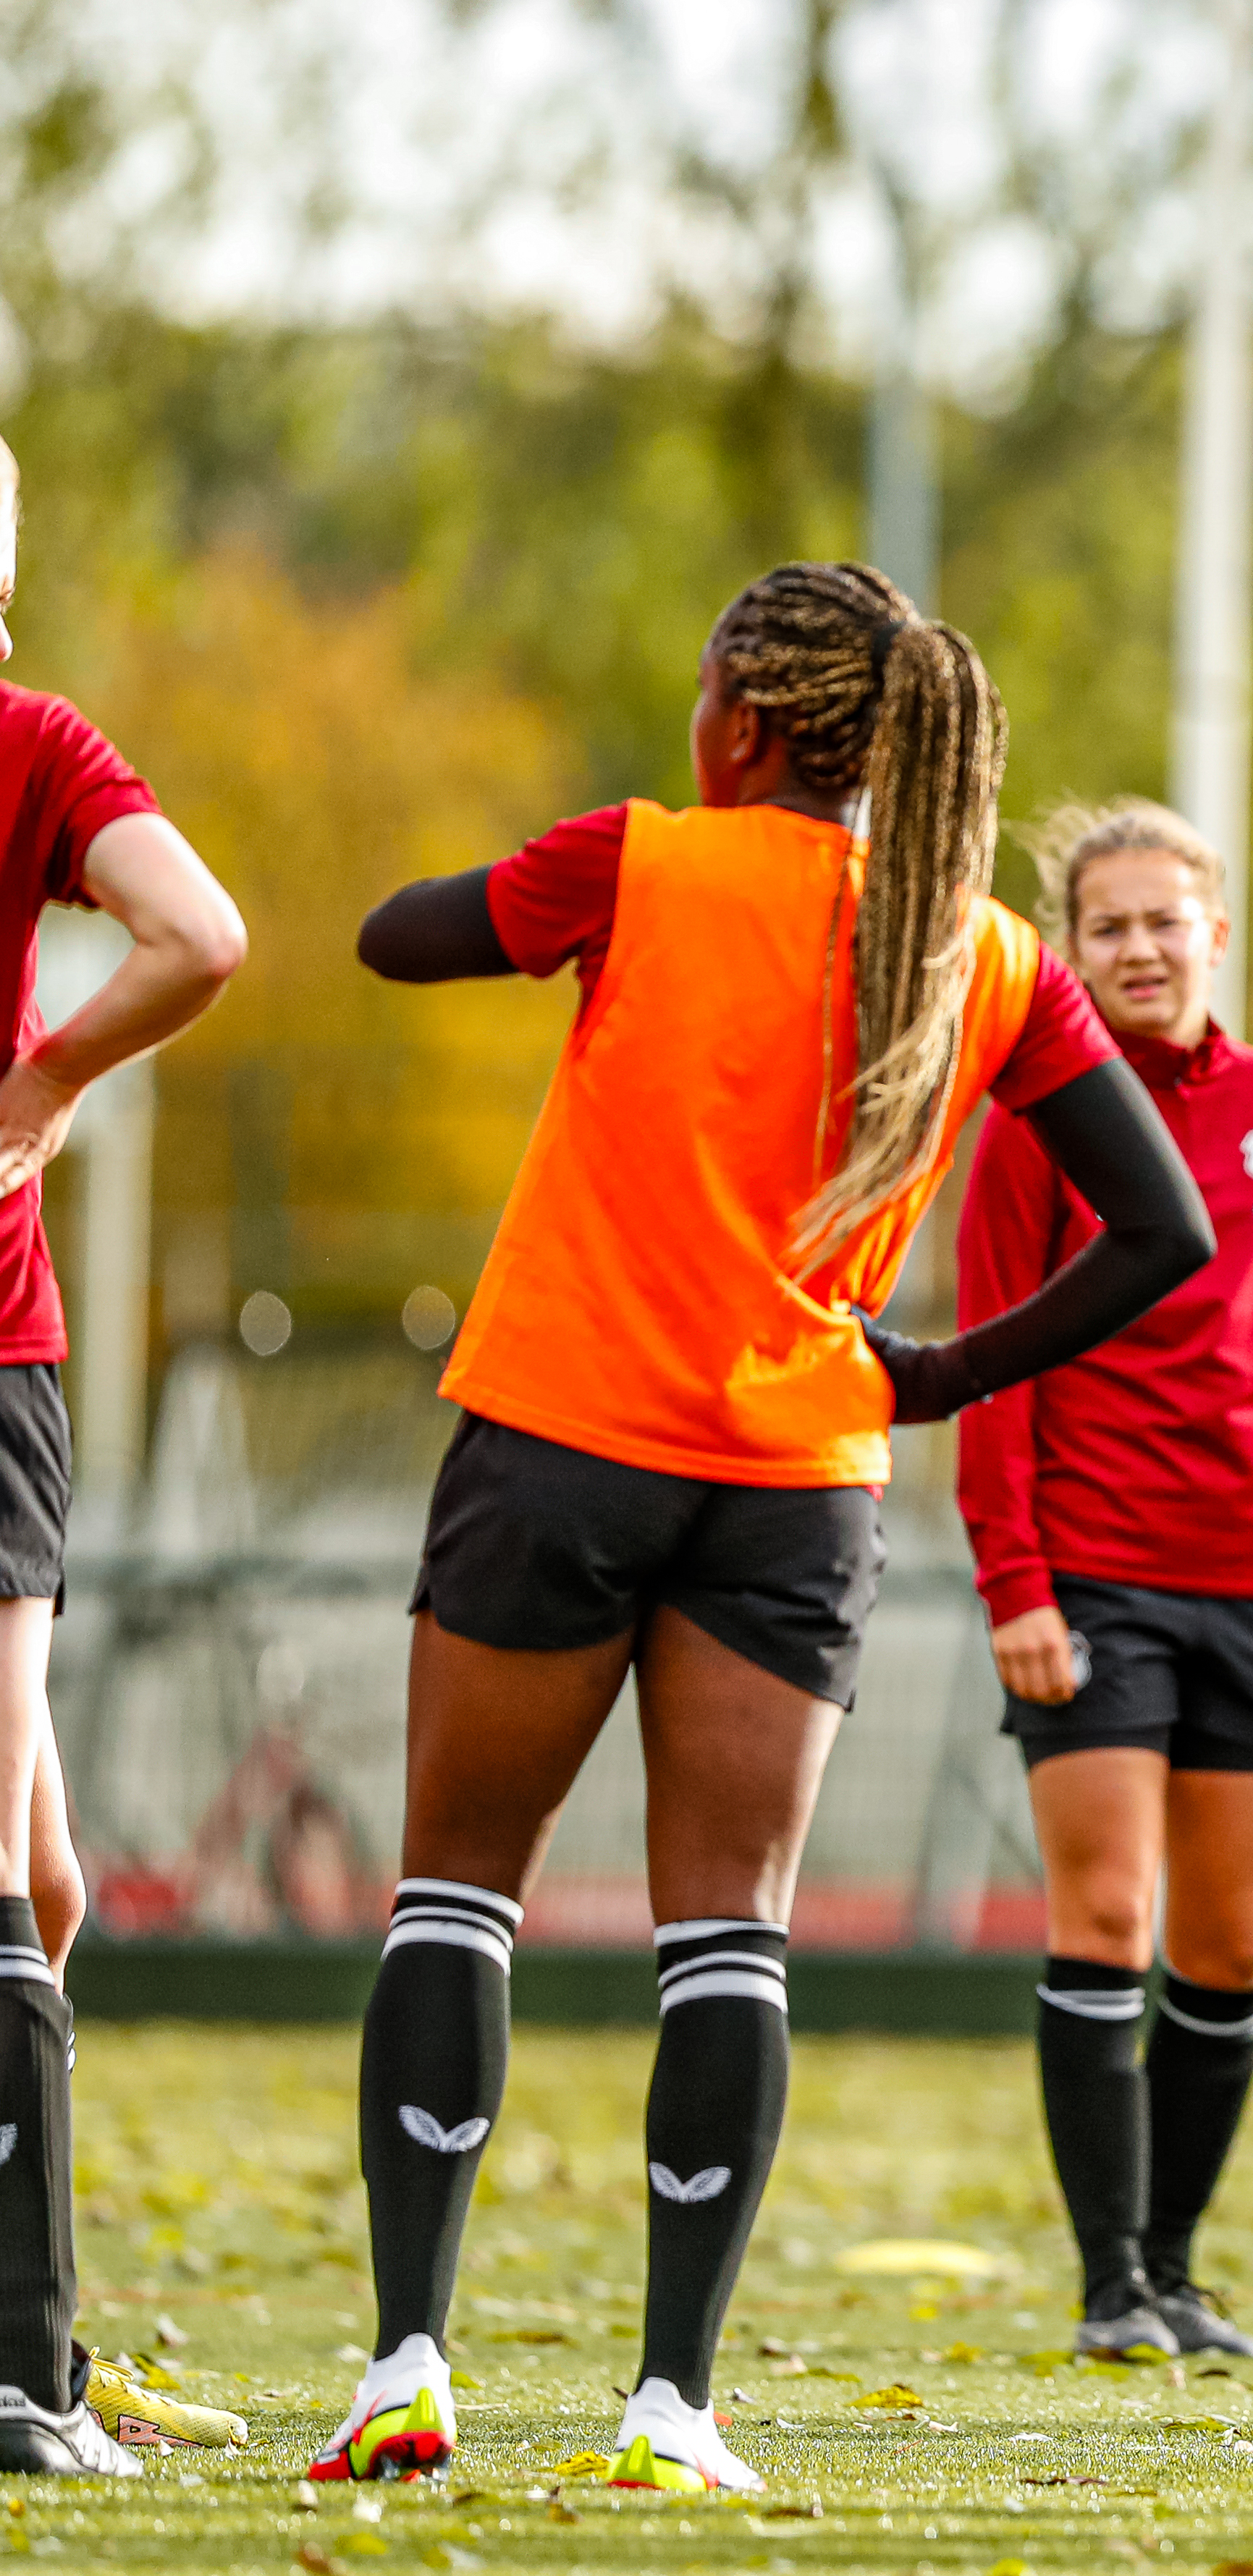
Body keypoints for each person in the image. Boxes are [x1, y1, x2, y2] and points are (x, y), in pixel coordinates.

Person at [320, 562, 1212, 2494]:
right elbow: (1167, 1232)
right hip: (794, 1483)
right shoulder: (981, 956)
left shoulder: (639, 860)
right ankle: (672, 2404)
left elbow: (394, 940)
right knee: (728, 1934)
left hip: (557, 1438)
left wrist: (553, 894)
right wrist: (936, 1376)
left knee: (457, 1889)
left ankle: (407, 2364)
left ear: (743, 715)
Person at [956, 800, 1253, 2362]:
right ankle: (1105, 2291)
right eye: (1107, 926)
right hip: (1091, 1576)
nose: (1140, 948)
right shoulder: (1032, 1123)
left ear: (1216, 931)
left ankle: (1172, 2267)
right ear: (1067, 953)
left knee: (1230, 1948)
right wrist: (1011, 1579)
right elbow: (990, 1370)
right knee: (1111, 1908)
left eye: (1165, 920)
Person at [0, 436, 250, 2475]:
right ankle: (18, 2374)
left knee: (50, 1876)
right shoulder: (32, 738)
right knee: (1, 1871)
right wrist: (48, 1081)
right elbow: (206, 936)